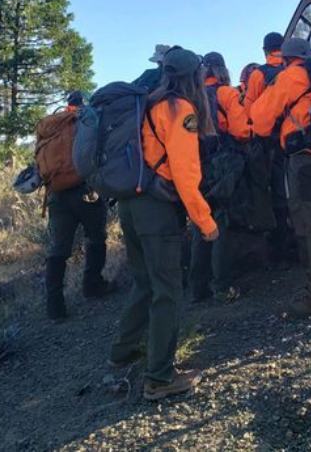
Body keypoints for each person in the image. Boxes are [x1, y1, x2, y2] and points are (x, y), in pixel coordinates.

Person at [109, 47, 217, 401]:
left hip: (131, 203)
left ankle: (123, 351)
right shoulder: (180, 110)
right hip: (157, 211)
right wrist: (205, 221)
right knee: (167, 290)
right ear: (192, 77)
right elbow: (185, 175)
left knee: (144, 283)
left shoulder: (147, 103)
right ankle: (159, 378)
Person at [248, 37, 311, 321]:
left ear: (287, 58)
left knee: (308, 223)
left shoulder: (292, 75)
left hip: (304, 157)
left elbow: (261, 116)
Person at [40, 91, 114, 320]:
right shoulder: (87, 120)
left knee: (58, 249)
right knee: (96, 236)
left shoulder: (52, 125)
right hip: (84, 191)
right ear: (82, 104)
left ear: (67, 105)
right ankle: (93, 285)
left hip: (56, 193)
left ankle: (55, 307)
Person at [185, 52, 247, 303]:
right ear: (221, 69)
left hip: (195, 166)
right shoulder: (227, 94)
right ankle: (222, 285)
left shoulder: (189, 99)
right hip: (222, 166)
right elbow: (241, 130)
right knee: (220, 221)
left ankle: (198, 287)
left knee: (201, 223)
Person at [244, 32, 295, 265]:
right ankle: (299, 243)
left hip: (269, 143)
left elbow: (249, 111)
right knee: (294, 190)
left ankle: (278, 250)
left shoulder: (258, 75)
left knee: (272, 193)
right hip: (296, 141)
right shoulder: (294, 72)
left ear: (265, 51)